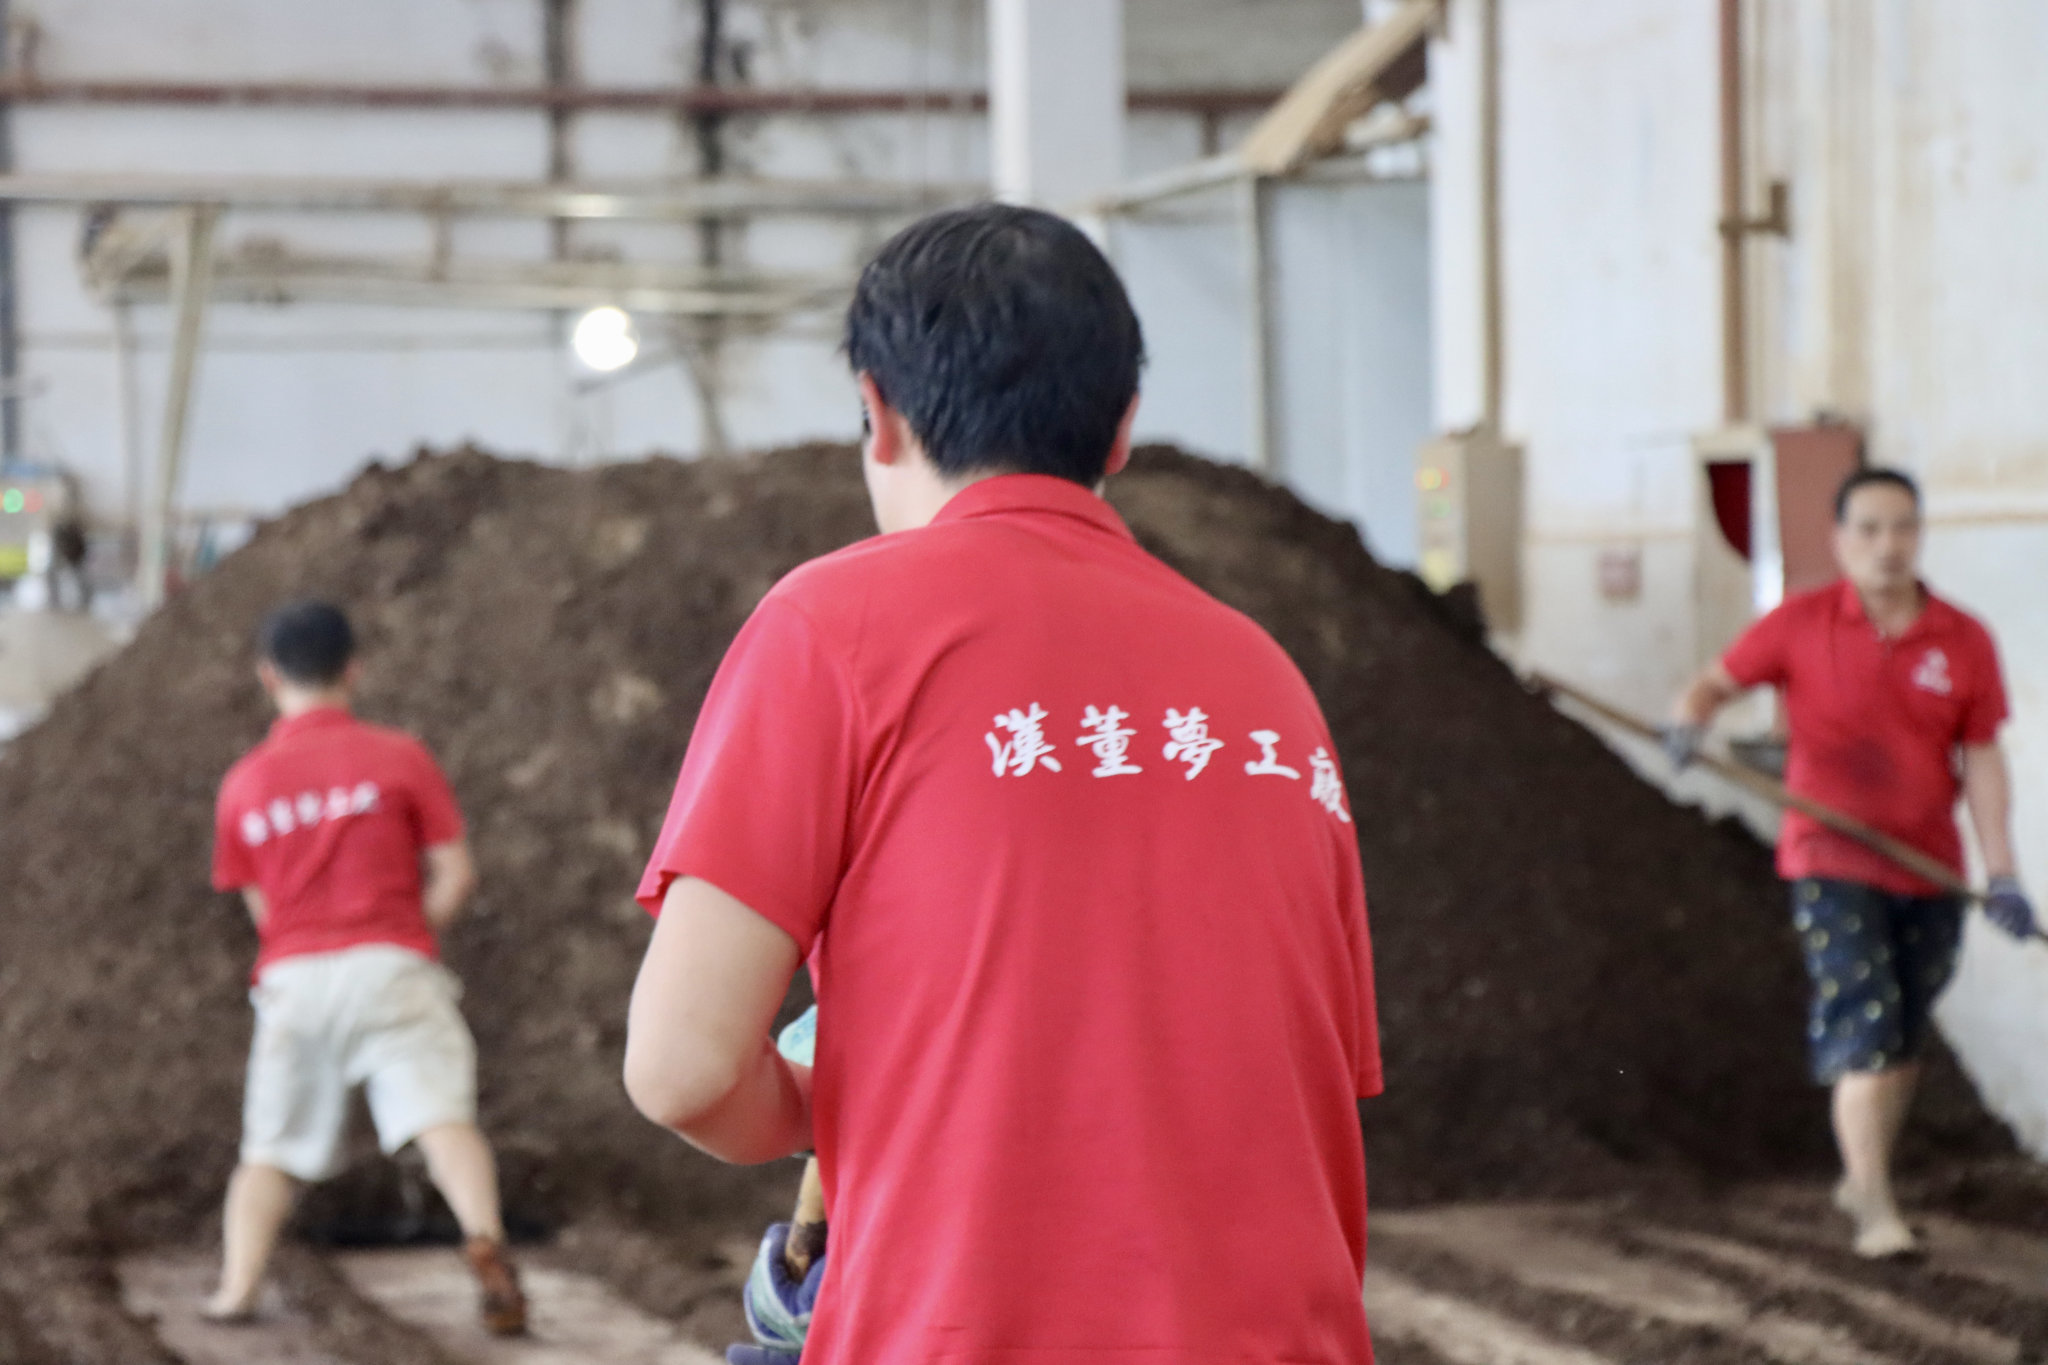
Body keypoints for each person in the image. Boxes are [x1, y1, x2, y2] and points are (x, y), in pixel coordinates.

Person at [622, 203, 1382, 1365]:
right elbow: (1281, 1063)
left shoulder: (833, 625)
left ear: (876, 411)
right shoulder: (1266, 680)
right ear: (1122, 429)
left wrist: (850, 1097)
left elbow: (682, 1068)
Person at [1670, 467, 2033, 1259]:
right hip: (1829, 857)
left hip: (1929, 868)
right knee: (1866, 1022)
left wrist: (2001, 871)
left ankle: (1864, 1175)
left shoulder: (1962, 640)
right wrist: (1687, 720)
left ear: (1920, 535)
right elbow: (1713, 684)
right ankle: (1873, 1206)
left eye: (1902, 527)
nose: (1886, 545)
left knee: (1902, 1034)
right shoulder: (1799, 623)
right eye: (1868, 528)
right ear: (1840, 540)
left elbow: (1981, 758)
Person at [207, 600, 526, 1333]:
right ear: (353, 669)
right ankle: (486, 1241)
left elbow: (262, 910)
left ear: (267, 677)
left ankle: (235, 1288)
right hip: (391, 963)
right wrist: (405, 929)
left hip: (294, 977)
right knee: (443, 1119)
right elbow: (455, 874)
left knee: (269, 1151)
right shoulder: (399, 756)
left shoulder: (245, 783)